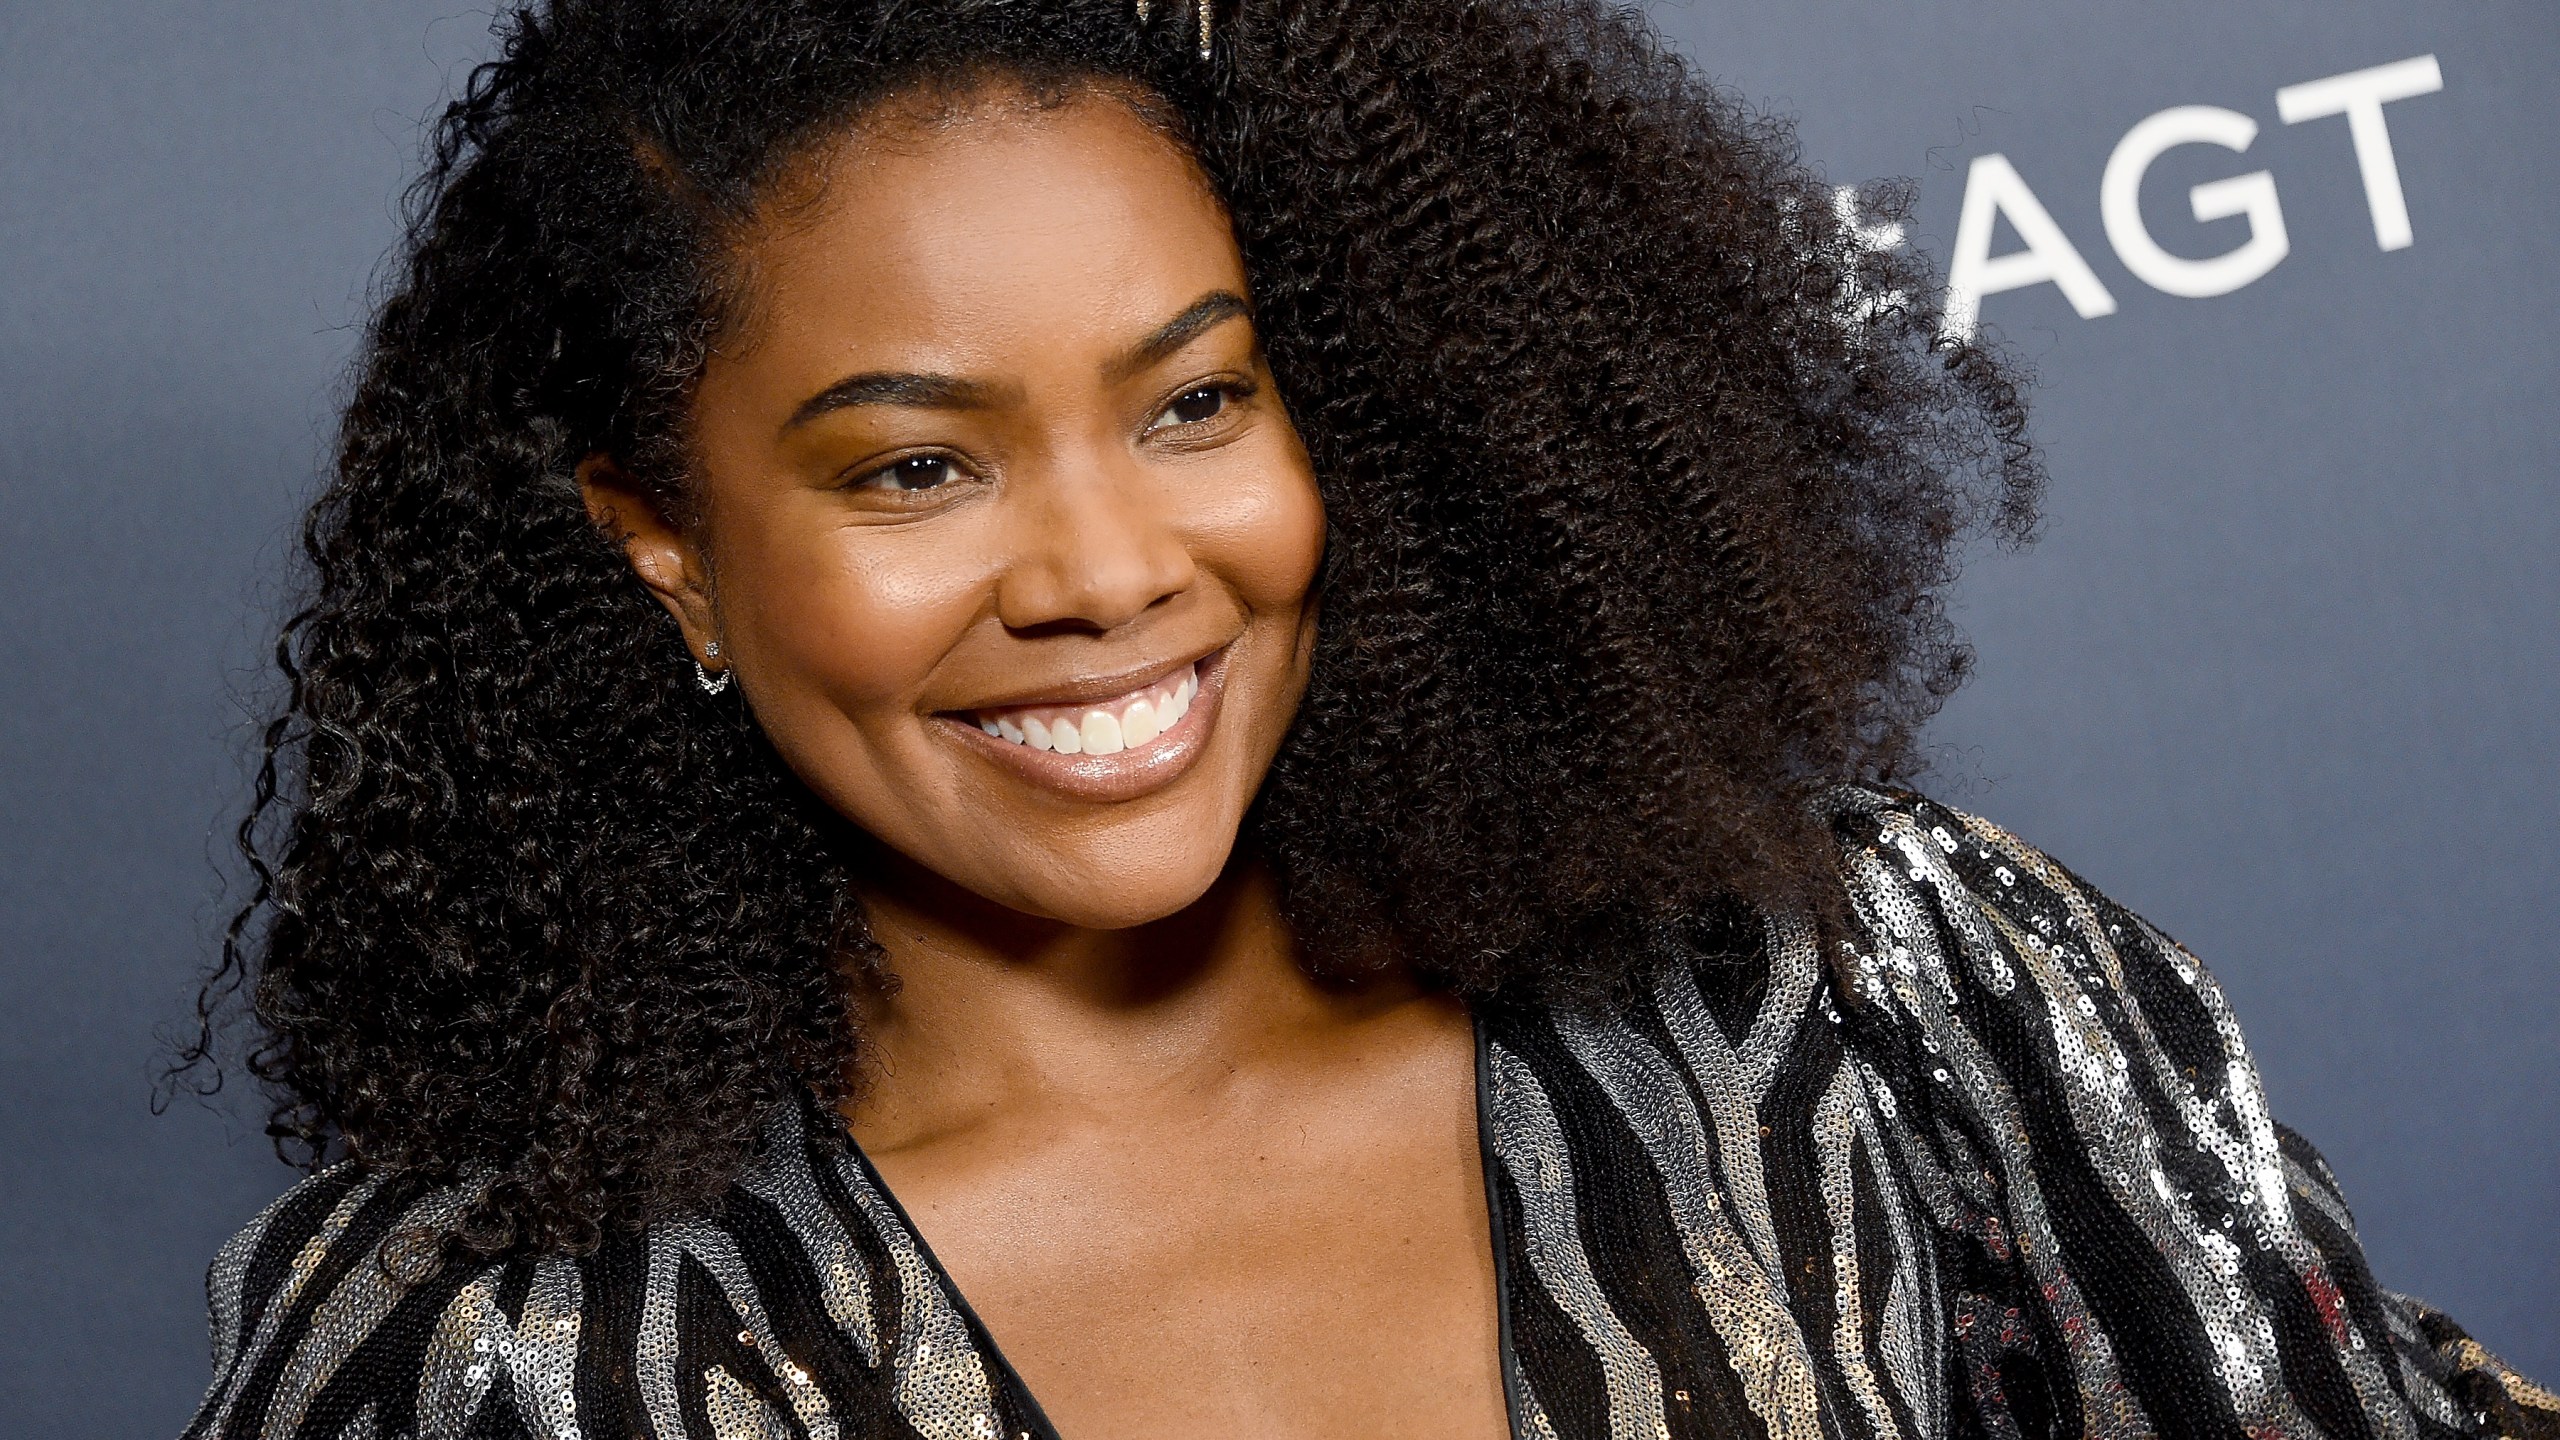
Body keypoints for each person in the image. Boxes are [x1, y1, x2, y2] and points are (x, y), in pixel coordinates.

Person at [173, 1, 2552, 1437]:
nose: (1108, 572)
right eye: (914, 463)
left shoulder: (1874, 999)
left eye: (1193, 403)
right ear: (663, 539)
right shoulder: (498, 1355)